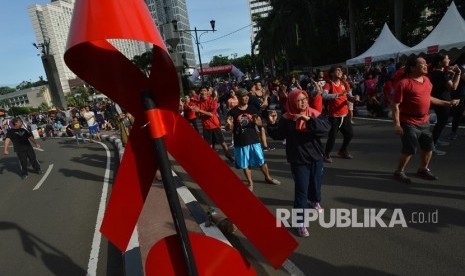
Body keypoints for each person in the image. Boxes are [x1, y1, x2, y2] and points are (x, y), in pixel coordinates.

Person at [267, 89, 330, 237]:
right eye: (299, 100)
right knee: (301, 190)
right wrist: (271, 124)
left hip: (316, 157)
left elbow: (326, 129)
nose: (303, 102)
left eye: (304, 99)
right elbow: (278, 135)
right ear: (292, 102)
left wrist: (309, 120)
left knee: (316, 182)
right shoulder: (286, 118)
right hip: (298, 159)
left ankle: (315, 201)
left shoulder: (313, 113)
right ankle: (300, 223)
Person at [392, 55, 460, 183]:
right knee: (410, 148)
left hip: (424, 121)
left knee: (429, 147)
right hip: (408, 121)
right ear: (412, 68)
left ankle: (423, 169)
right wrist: (397, 124)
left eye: (425, 63)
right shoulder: (404, 83)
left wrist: (448, 103)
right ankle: (399, 172)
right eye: (421, 63)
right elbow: (395, 105)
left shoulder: (427, 81)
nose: (425, 65)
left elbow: (429, 98)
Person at [225, 88, 281, 191]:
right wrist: (228, 125)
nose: (246, 97)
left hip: (253, 140)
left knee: (261, 161)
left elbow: (260, 124)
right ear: (238, 98)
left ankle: (268, 177)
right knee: (245, 164)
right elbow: (229, 128)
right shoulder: (233, 112)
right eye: (244, 96)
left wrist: (255, 121)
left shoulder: (252, 108)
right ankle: (250, 183)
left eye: (247, 95)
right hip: (240, 142)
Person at [322, 66, 358, 163]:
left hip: (344, 115)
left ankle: (342, 151)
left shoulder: (345, 83)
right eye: (337, 70)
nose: (340, 72)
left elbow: (349, 97)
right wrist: (338, 95)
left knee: (349, 134)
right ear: (332, 73)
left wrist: (354, 98)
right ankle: (326, 154)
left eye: (340, 70)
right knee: (332, 137)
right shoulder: (328, 84)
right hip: (334, 117)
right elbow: (324, 96)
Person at [191, 87, 234, 163]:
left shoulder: (212, 101)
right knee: (209, 146)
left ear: (208, 92)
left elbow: (211, 114)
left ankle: (228, 155)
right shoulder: (199, 103)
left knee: (223, 143)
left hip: (215, 126)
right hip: (206, 127)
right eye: (201, 91)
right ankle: (212, 160)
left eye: (204, 90)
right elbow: (198, 116)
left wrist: (199, 110)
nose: (203, 92)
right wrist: (196, 112)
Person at [429, 54, 461, 154]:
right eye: (446, 59)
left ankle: (435, 140)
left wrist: (450, 73)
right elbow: (454, 86)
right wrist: (458, 73)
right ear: (440, 62)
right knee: (441, 122)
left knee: (441, 122)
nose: (449, 60)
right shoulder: (440, 74)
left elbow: (446, 83)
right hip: (443, 100)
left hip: (440, 99)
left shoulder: (436, 72)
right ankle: (432, 146)